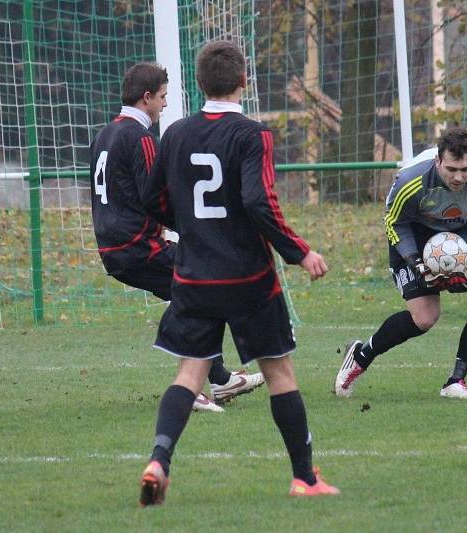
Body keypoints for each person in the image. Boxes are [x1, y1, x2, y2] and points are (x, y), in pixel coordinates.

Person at [136, 41, 339, 506]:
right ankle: (305, 478)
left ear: (200, 83)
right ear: (244, 81)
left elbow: (150, 199)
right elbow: (257, 200)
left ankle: (159, 461)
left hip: (193, 276)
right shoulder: (253, 134)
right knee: (280, 373)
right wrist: (298, 251)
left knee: (189, 373)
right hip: (247, 279)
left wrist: (187, 225)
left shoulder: (176, 134)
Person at [89, 62, 263, 414]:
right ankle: (192, 386)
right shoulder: (140, 138)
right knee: (204, 286)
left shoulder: (105, 134)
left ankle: (218, 379)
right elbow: (156, 196)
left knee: (197, 292)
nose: (166, 105)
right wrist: (195, 230)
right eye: (163, 97)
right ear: (147, 97)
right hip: (137, 245)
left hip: (114, 245)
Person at [334, 127, 467, 400]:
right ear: (438, 161)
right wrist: (415, 262)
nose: (459, 177)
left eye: (465, 169)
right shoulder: (410, 180)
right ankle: (360, 354)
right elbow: (394, 222)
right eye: (451, 169)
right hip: (413, 231)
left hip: (463, 232)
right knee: (425, 318)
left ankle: (456, 381)